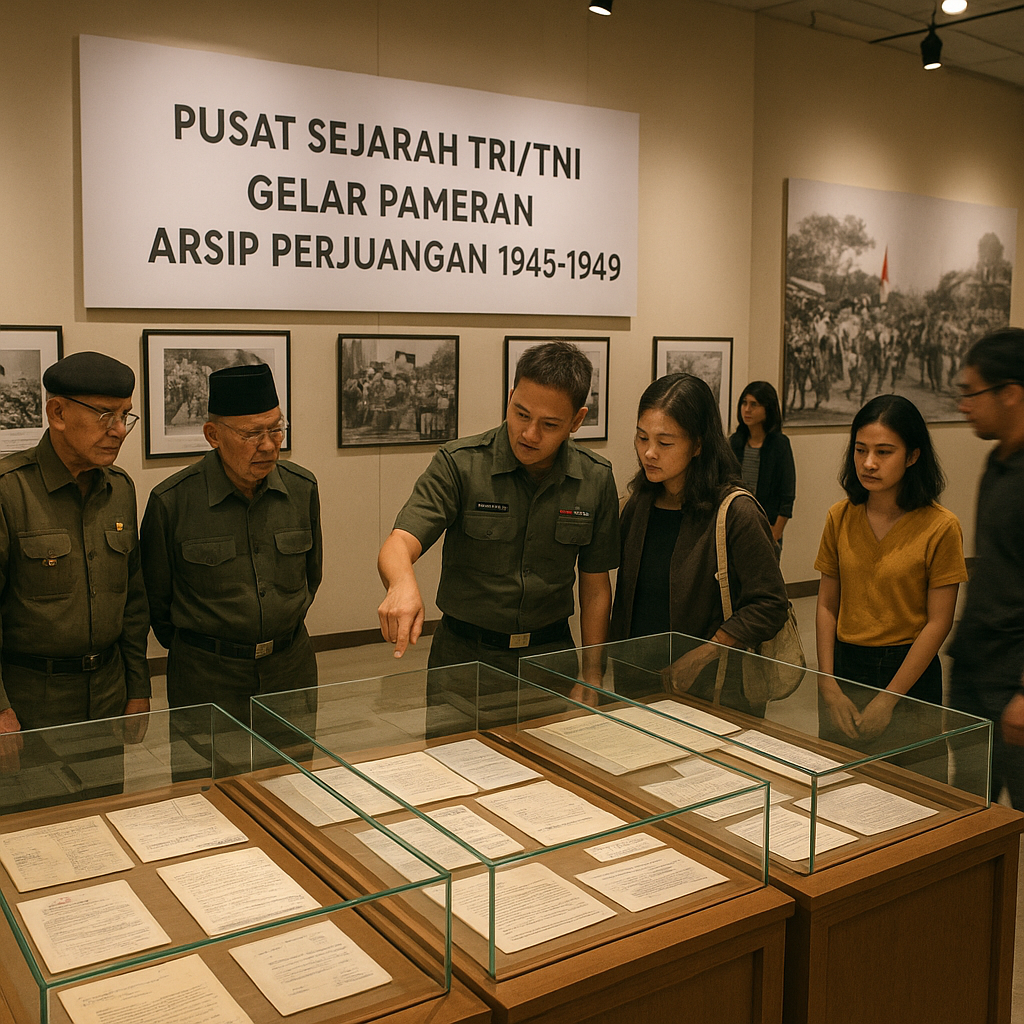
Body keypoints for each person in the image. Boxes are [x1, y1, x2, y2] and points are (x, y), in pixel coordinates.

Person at [377, 340, 619, 682]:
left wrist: (593, 673)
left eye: (549, 424)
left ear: (577, 420)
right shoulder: (461, 464)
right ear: (509, 397)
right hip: (465, 656)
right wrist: (401, 583)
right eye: (521, 414)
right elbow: (400, 541)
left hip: (549, 657)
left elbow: (595, 588)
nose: (530, 434)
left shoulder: (595, 478)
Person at [141, 364, 322, 726]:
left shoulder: (302, 489)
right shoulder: (172, 502)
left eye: (276, 429)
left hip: (290, 669)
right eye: (252, 434)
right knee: (208, 781)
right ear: (213, 434)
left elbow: (311, 577)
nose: (269, 445)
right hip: (207, 679)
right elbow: (156, 601)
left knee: (291, 779)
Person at [0, 351, 150, 786]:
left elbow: (133, 601)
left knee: (105, 819)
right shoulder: (11, 492)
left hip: (106, 693)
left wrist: (137, 687)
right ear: (58, 413)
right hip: (32, 702)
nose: (119, 430)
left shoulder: (119, 489)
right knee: (34, 833)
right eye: (105, 415)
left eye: (125, 415)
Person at [609, 373, 788, 708]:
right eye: (641, 438)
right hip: (637, 683)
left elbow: (771, 603)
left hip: (711, 689)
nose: (648, 453)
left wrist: (706, 652)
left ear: (698, 444)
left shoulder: (735, 511)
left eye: (664, 443)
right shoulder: (639, 503)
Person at [815, 394, 966, 744]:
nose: (868, 463)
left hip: (909, 672)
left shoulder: (940, 527)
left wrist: (888, 699)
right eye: (860, 449)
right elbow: (826, 604)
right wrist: (828, 683)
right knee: (840, 785)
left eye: (884, 452)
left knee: (913, 790)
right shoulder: (840, 516)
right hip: (846, 666)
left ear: (912, 456)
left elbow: (939, 621)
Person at [947, 327, 1024, 807]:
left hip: (1012, 680)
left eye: (971, 393)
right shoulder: (996, 462)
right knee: (967, 809)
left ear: (1011, 394)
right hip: (975, 667)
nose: (963, 405)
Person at [728, 381, 795, 559]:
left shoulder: (779, 445)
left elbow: (787, 493)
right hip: (737, 523)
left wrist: (777, 531)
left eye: (754, 404)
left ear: (768, 409)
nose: (747, 409)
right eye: (744, 403)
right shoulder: (735, 442)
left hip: (767, 524)